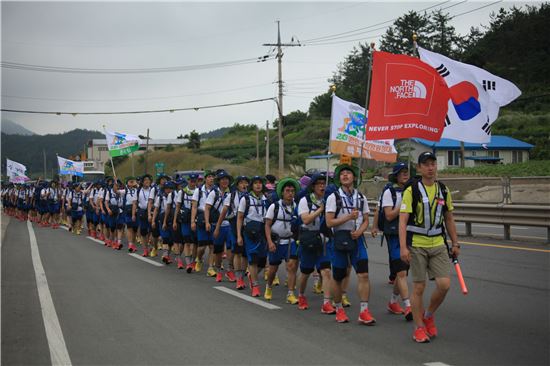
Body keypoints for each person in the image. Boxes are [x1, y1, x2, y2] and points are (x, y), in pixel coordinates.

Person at [399, 151, 460, 343]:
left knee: (444, 285)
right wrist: (403, 247)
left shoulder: (443, 190)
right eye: (426, 164)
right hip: (417, 244)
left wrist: (455, 242)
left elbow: (449, 217)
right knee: (419, 288)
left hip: (439, 243)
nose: (430, 167)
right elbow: (403, 221)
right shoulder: (412, 190)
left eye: (433, 163)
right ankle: (418, 328)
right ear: (419, 168)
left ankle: (429, 315)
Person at [325, 163, 374, 325]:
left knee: (364, 274)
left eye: (348, 173)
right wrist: (347, 218)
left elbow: (366, 220)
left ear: (354, 178)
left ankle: (364, 311)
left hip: (357, 239)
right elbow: (329, 222)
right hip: (339, 239)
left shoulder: (361, 197)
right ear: (339, 179)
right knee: (338, 276)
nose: (345, 175)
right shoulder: (333, 197)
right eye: (342, 174)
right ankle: (338, 308)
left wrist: (360, 231)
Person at [297, 174, 336, 314]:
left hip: (324, 241)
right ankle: (301, 295)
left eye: (323, 184)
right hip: (309, 240)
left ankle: (326, 303)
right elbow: (306, 219)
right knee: (305, 272)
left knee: (326, 271)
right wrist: (320, 209)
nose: (322, 186)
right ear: (313, 186)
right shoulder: (305, 201)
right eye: (318, 184)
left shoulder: (330, 200)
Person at [379, 162, 412, 321]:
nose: (405, 175)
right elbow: (389, 215)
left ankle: (393, 302)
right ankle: (408, 307)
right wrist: (404, 203)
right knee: (401, 272)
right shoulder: (389, 192)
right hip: (394, 236)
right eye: (402, 172)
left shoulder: (413, 190)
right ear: (396, 175)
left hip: (410, 235)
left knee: (404, 272)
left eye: (407, 172)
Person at [264, 177, 301, 304]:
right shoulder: (274, 206)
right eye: (287, 191)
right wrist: (269, 242)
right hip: (276, 242)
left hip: (291, 242)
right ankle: (268, 287)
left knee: (292, 267)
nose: (290, 193)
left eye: (292, 191)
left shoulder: (297, 206)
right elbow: (267, 225)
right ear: (282, 192)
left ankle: (290, 294)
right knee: (273, 269)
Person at [237, 176, 267, 297]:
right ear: (252, 186)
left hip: (263, 232)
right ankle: (255, 286)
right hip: (250, 232)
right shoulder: (246, 199)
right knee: (253, 259)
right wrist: (239, 235)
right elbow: (239, 217)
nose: (258, 185)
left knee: (263, 261)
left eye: (260, 183)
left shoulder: (266, 199)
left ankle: (251, 274)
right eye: (255, 183)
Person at [217, 175, 249, 289]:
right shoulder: (231, 196)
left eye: (246, 183)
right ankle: (238, 278)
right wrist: (217, 227)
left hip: (249, 225)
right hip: (235, 224)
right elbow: (224, 212)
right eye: (241, 183)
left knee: (246, 254)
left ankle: (243, 276)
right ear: (237, 185)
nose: (244, 185)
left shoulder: (251, 197)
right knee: (237, 252)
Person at [206, 170, 235, 282]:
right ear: (219, 181)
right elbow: (207, 208)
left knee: (230, 248)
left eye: (227, 179)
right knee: (218, 250)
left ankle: (229, 270)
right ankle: (218, 270)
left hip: (229, 225)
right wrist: (207, 222)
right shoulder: (214, 193)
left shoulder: (232, 193)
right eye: (223, 179)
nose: (225, 181)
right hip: (216, 225)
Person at [191, 171, 216, 275]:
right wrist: (192, 221)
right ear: (205, 179)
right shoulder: (199, 190)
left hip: (213, 216)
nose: (211, 179)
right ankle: (199, 259)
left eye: (212, 177)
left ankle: (210, 268)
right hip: (201, 217)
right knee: (201, 247)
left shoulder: (216, 190)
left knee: (212, 245)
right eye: (209, 177)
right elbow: (194, 206)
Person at [173, 173, 198, 273]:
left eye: (194, 181)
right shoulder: (182, 192)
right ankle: (188, 263)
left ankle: (193, 261)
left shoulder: (199, 191)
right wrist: (175, 220)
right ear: (188, 181)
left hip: (196, 219)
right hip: (185, 220)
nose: (193, 182)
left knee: (195, 242)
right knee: (187, 241)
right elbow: (178, 207)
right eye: (191, 181)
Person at [136, 175, 153, 256]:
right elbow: (135, 202)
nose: (147, 181)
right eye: (145, 180)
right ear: (142, 182)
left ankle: (151, 245)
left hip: (152, 212)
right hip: (142, 212)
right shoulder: (139, 190)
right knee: (143, 232)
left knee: (151, 231)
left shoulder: (153, 190)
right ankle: (145, 249)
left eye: (148, 180)